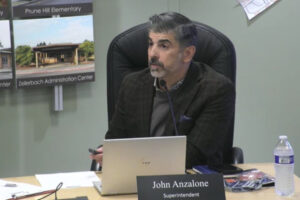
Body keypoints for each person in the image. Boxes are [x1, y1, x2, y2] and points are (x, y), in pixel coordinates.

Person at [90, 12, 235, 169]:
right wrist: (109, 154)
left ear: (187, 54)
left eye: (163, 46)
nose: (153, 54)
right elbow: (114, 141)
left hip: (189, 185)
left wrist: (130, 158)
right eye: (150, 44)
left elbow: (194, 157)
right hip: (134, 181)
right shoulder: (132, 84)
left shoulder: (216, 89)